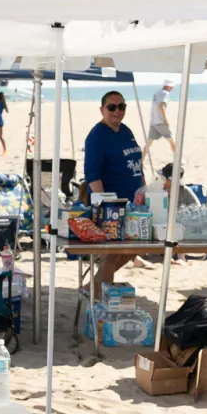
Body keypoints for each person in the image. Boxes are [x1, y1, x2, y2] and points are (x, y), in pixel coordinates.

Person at [83, 91, 145, 285]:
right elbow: (92, 175)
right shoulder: (96, 136)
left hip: (133, 204)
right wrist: (105, 205)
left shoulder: (126, 131)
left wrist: (144, 191)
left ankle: (93, 285)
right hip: (111, 207)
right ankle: (99, 295)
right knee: (112, 254)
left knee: (136, 247)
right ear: (102, 109)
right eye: (112, 107)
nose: (117, 111)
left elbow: (136, 164)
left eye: (121, 107)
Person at [147, 80, 176, 156]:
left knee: (148, 144)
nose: (172, 89)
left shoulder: (157, 93)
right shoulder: (165, 93)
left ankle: (141, 161)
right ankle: (178, 159)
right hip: (161, 123)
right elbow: (161, 106)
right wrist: (166, 120)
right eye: (172, 87)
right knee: (171, 141)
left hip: (153, 122)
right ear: (168, 86)